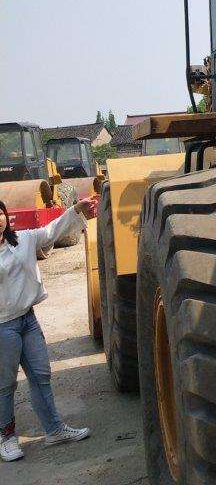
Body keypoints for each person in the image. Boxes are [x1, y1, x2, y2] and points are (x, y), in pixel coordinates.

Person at [0, 196, 98, 462]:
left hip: (27, 320)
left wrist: (75, 210)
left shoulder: (22, 240)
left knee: (41, 374)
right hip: (3, 327)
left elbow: (50, 231)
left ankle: (54, 430)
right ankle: (6, 437)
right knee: (5, 384)